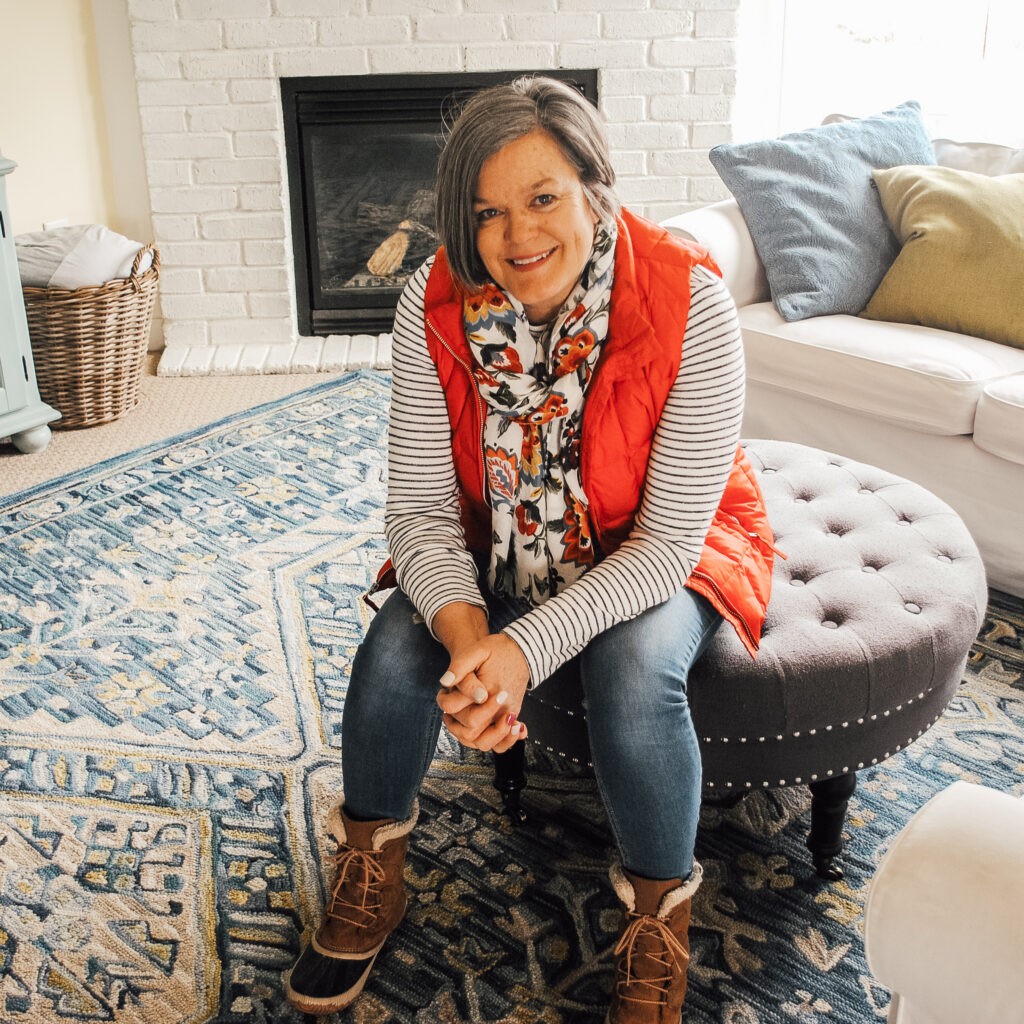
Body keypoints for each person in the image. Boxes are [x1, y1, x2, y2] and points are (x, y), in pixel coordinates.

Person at [284, 75, 775, 1023]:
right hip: (499, 542)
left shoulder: (691, 304)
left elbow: (669, 543)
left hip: (660, 543)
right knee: (392, 652)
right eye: (486, 213)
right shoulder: (430, 303)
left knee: (634, 673)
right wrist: (472, 638)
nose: (516, 238)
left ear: (596, 186)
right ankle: (371, 864)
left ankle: (656, 917)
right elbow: (421, 510)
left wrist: (522, 652)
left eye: (543, 198)